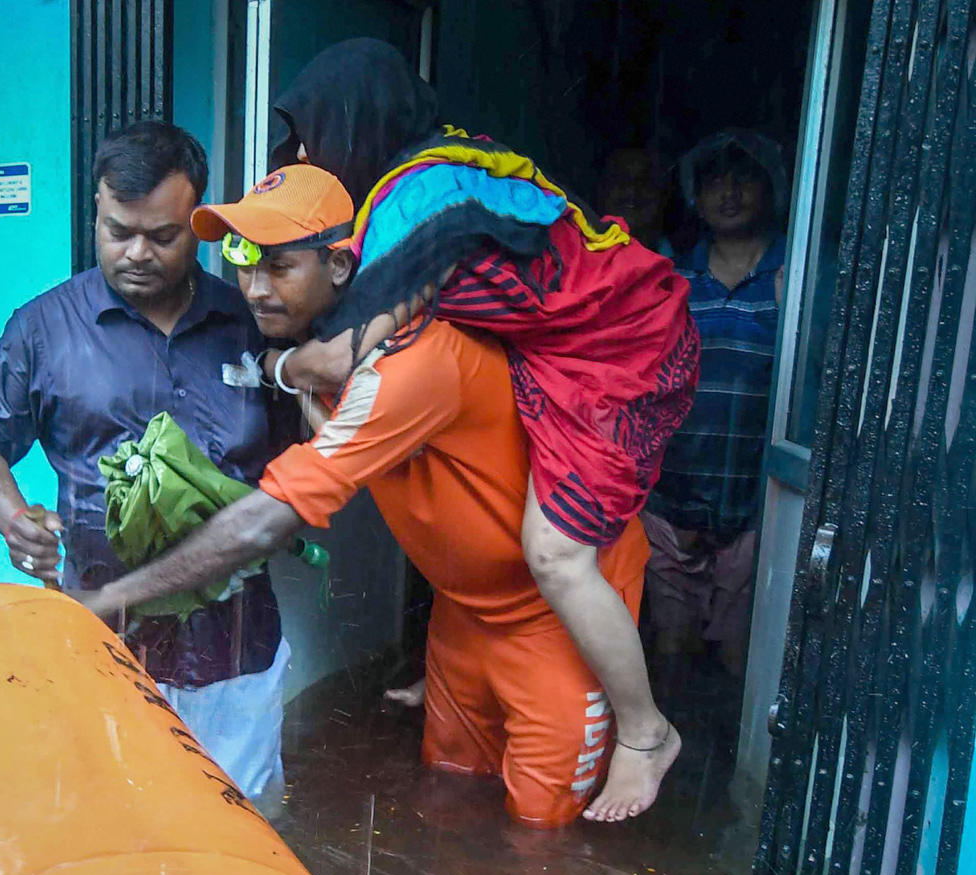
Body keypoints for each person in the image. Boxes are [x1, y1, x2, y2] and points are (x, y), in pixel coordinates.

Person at [73, 163, 660, 829]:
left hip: (553, 618)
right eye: (241, 258)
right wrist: (284, 367)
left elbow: (262, 524)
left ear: (341, 267)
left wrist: (109, 601)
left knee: (542, 836)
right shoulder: (325, 349)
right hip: (463, 615)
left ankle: (649, 734)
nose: (254, 287)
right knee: (449, 789)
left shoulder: (413, 361)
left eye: (279, 265)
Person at [264, 39, 700, 822]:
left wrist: (279, 368)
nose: (302, 153)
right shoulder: (430, 177)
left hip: (619, 351)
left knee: (556, 552)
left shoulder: (414, 197)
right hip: (559, 352)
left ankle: (646, 732)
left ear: (354, 122)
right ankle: (459, 663)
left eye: (309, 134)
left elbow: (339, 355)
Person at [0, 122, 288, 812]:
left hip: (240, 646)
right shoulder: (44, 327)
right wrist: (13, 519)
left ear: (199, 224)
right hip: (106, 642)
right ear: (96, 215)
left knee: (242, 829)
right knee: (117, 822)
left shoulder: (249, 321)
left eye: (162, 236)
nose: (136, 252)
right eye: (117, 231)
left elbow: (300, 464)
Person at [643, 129, 788, 679]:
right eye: (714, 182)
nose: (728, 193)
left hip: (753, 506)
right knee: (669, 656)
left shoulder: (791, 279)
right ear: (695, 198)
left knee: (739, 664)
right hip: (669, 501)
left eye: (743, 178)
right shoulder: (672, 279)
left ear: (770, 188)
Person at [594, 148, 675, 257]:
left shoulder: (686, 265)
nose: (631, 191)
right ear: (602, 189)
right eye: (621, 179)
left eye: (644, 181)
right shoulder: (577, 259)